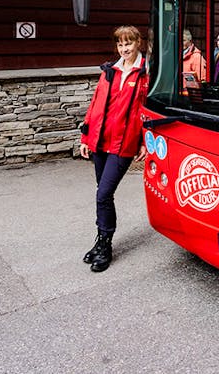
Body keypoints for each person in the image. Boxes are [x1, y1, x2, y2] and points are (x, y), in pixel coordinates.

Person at [78, 25, 149, 273]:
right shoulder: (110, 71)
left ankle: (106, 245)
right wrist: (85, 137)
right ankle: (101, 241)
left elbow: (147, 110)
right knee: (103, 193)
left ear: (138, 43)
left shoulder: (146, 74)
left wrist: (144, 141)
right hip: (100, 141)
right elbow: (96, 104)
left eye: (128, 43)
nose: (124, 48)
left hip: (123, 145)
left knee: (103, 194)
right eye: (120, 44)